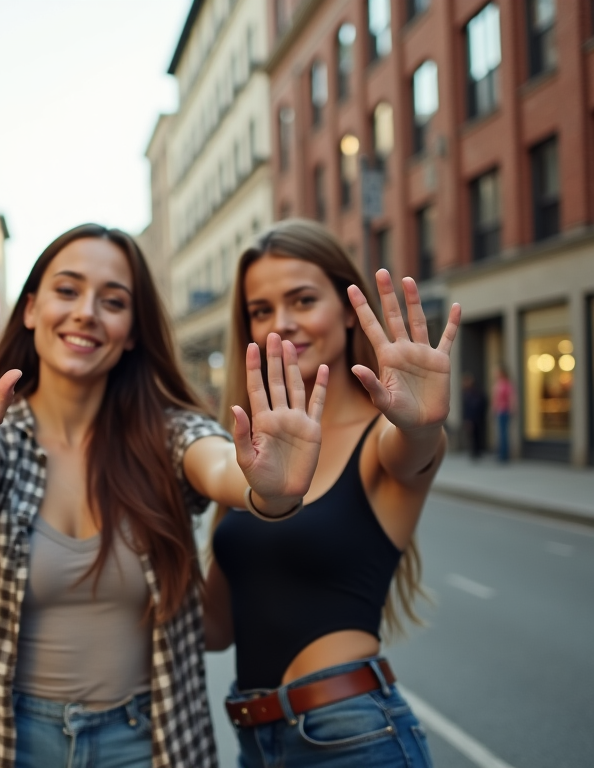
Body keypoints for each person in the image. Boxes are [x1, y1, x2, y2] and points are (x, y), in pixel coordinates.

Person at [0, 224, 329, 768]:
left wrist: (267, 490)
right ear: (32, 308)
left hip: (146, 743)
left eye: (113, 301)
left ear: (132, 330)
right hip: (7, 743)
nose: (87, 312)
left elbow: (221, 463)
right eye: (67, 290)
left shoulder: (168, 434)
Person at [205, 219, 459, 768]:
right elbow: (214, 630)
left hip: (352, 737)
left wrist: (419, 425)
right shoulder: (250, 454)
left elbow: (414, 451)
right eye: (261, 310)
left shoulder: (380, 441)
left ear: (348, 309)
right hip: (255, 741)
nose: (283, 324)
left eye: (302, 300)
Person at [461, 373, 487, 459]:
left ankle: (477, 451)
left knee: (476, 435)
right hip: (473, 417)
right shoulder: (467, 393)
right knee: (472, 435)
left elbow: (480, 404)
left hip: (476, 417)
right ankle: (474, 451)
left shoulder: (475, 392)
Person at [493, 365, 515, 462]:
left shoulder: (506, 384)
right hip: (499, 411)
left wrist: (511, 409)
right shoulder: (498, 383)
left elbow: (511, 397)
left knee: (503, 433)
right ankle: (501, 453)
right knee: (500, 433)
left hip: (504, 410)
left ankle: (504, 455)